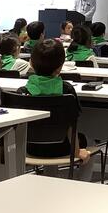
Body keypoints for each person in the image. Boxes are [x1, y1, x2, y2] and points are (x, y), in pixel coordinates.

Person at [18, 39, 92, 178]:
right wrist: (77, 152)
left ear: (31, 63)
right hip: (62, 148)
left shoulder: (22, 92)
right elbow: (72, 126)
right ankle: (81, 184)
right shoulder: (67, 90)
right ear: (60, 67)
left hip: (30, 148)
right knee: (89, 142)